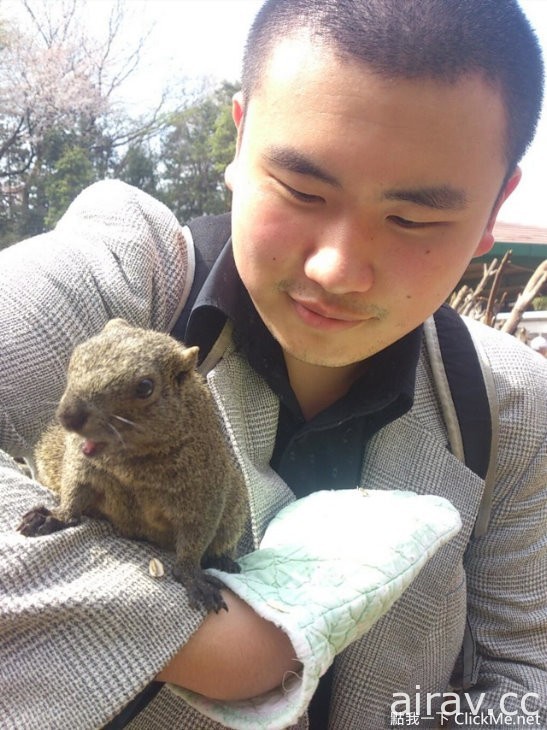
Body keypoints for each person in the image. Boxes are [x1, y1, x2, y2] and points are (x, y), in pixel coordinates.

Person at [1, 0, 546, 728]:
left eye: (413, 219)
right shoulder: (121, 280)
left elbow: (522, 677)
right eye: (301, 190)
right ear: (239, 137)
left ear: (491, 211)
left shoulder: (508, 409)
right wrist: (202, 641)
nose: (337, 269)